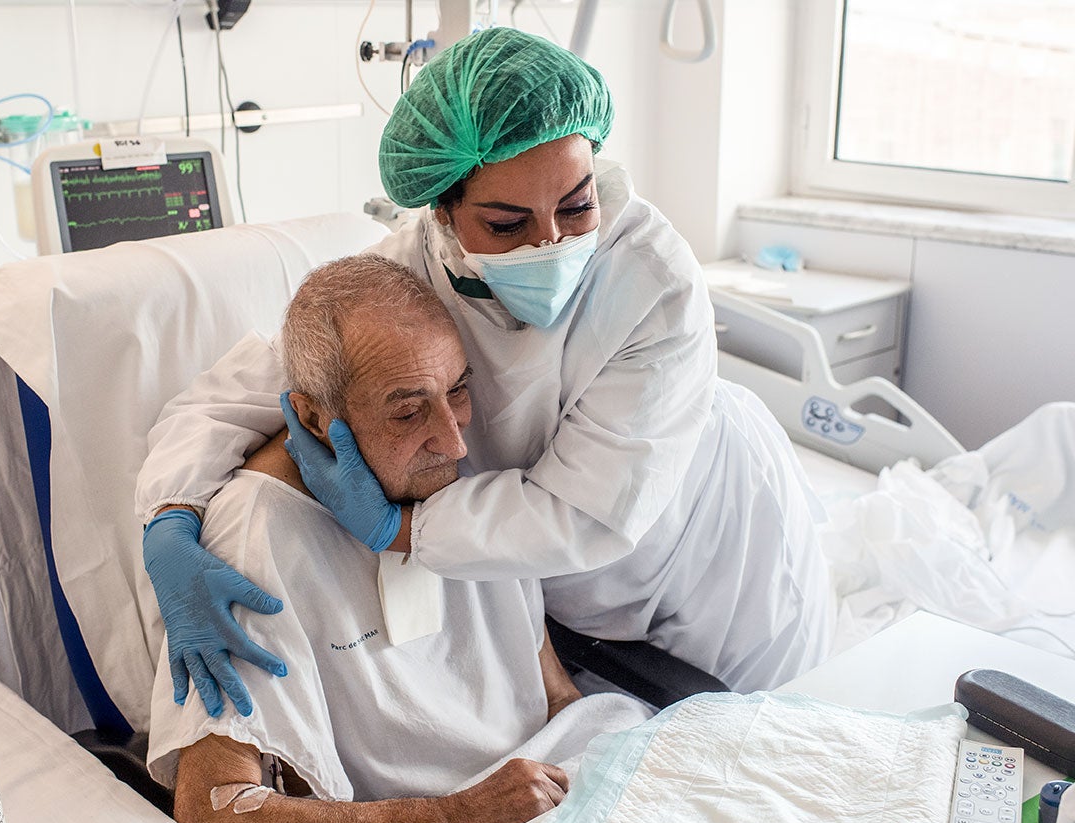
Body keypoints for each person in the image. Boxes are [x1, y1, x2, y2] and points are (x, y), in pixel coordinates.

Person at [137, 27, 835, 721]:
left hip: (713, 546)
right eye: (506, 223)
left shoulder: (653, 281)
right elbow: (231, 399)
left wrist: (399, 529)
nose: (551, 243)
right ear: (442, 211)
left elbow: (588, 514)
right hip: (537, 578)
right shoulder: (405, 275)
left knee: (763, 734)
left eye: (577, 205)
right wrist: (171, 519)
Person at [147, 253, 652, 823]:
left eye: (457, 390)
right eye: (409, 412)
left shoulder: (469, 468)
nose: (454, 443)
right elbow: (215, 810)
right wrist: (456, 817)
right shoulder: (257, 533)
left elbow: (556, 698)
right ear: (313, 420)